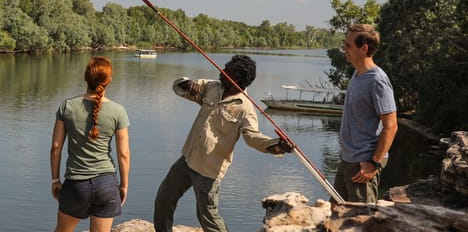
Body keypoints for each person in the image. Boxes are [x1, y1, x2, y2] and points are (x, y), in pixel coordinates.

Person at [153, 55, 294, 232]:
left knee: (207, 217)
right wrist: (187, 84)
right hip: (188, 158)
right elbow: (178, 87)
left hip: (209, 170)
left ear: (238, 79)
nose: (222, 71)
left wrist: (277, 146)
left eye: (228, 70)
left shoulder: (245, 108)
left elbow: (252, 138)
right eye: (225, 67)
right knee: (164, 198)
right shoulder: (212, 87)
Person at [50, 56, 130, 232]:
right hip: (106, 185)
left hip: (76, 184)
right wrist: (123, 185)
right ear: (109, 81)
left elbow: (56, 147)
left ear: (86, 78)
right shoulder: (118, 111)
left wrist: (55, 179)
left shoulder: (67, 107)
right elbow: (123, 154)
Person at [333, 24, 398, 205]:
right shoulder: (357, 73)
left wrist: (374, 163)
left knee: (360, 220)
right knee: (334, 212)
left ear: (364, 49)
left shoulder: (377, 80)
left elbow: (391, 126)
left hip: (363, 164)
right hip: (349, 159)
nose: (344, 49)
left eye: (348, 46)